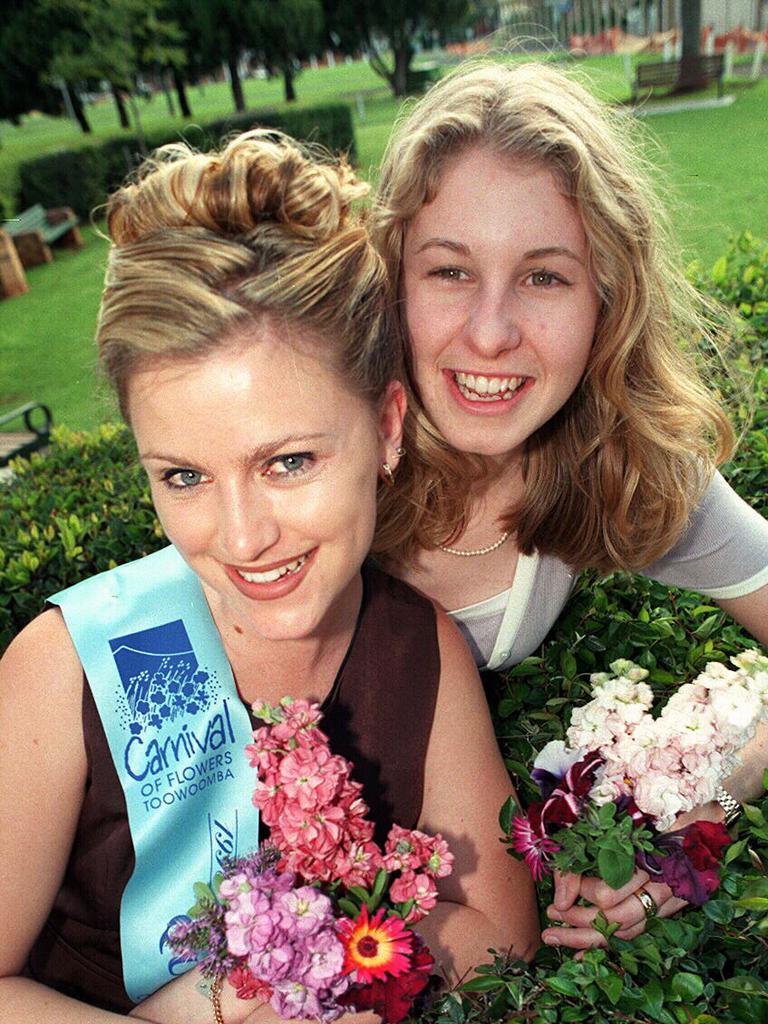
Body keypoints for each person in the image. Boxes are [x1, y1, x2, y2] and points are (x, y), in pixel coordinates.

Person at [0, 130, 538, 1023]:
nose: (243, 537)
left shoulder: (418, 652)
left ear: (390, 427)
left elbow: (500, 933)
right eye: (183, 476)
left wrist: (310, 958)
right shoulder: (64, 672)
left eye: (287, 462)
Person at [370, 60, 768, 951]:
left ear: (607, 300)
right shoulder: (326, 460)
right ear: (390, 282)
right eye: (448, 271)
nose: (489, 331)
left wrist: (704, 799)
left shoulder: (619, 464)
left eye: (544, 277)